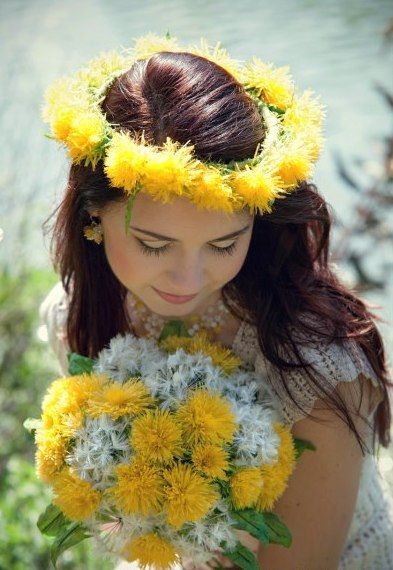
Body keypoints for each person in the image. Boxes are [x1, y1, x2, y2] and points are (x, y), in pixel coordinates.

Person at [38, 34, 393, 569]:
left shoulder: (316, 366)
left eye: (225, 244)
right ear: (93, 216)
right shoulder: (72, 317)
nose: (188, 276)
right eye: (155, 245)